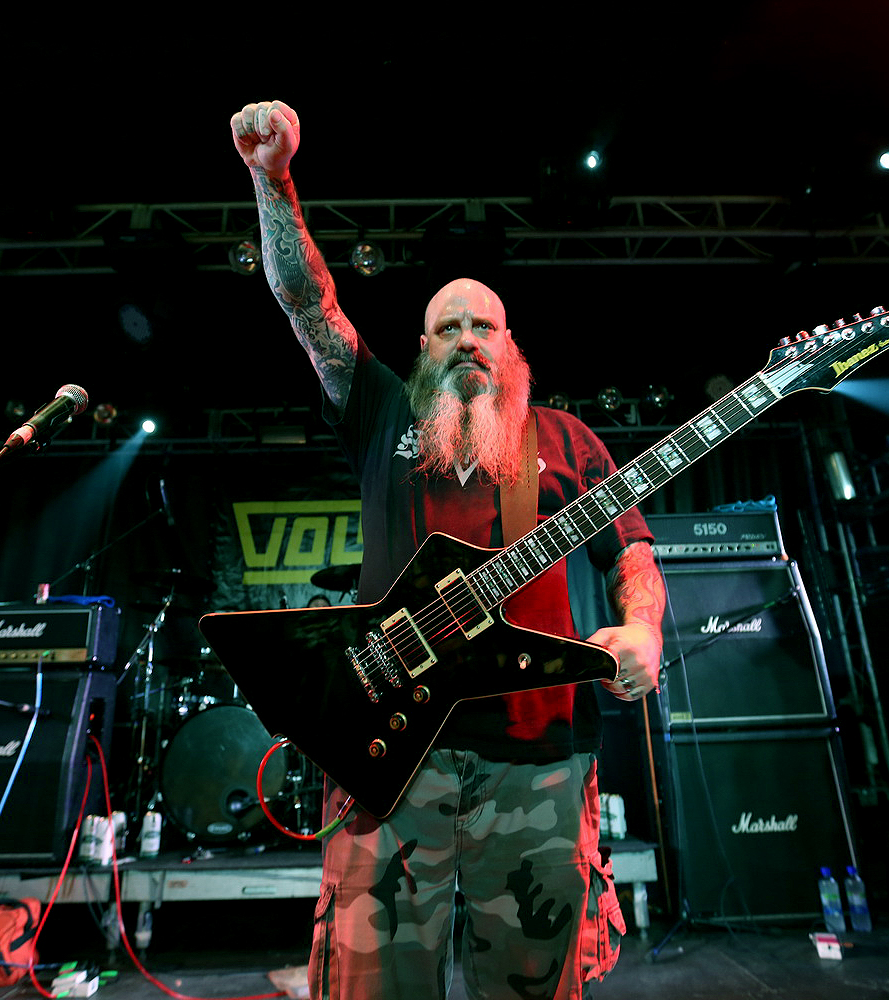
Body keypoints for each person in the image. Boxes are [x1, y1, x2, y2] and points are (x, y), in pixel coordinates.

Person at [230, 100, 665, 1000]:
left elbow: (630, 553)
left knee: (533, 985)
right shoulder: (381, 412)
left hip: (538, 759)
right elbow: (309, 304)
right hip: (386, 756)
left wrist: (644, 628)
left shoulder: (567, 441)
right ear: (421, 349)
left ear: (511, 347)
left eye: (484, 327)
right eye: (448, 328)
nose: (468, 339)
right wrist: (273, 181)